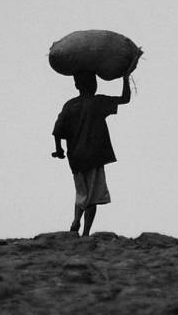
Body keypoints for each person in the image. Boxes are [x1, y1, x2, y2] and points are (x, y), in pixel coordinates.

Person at [51, 71, 131, 236]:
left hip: (76, 158)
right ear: (94, 85)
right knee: (93, 196)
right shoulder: (98, 102)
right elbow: (125, 98)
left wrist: (59, 150)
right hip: (94, 155)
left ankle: (75, 221)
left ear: (77, 85)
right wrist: (125, 77)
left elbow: (57, 130)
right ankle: (86, 233)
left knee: (81, 193)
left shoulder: (70, 105)